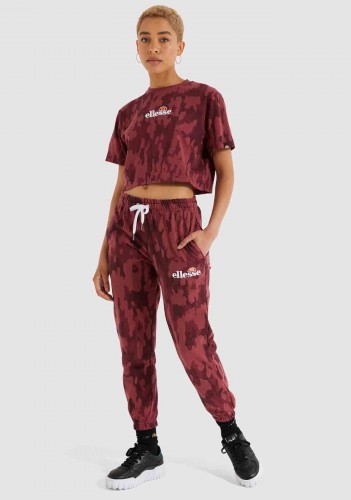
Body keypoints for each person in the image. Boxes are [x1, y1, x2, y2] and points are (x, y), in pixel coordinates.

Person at [93, 5, 261, 490]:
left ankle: (230, 432)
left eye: (163, 38)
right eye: (144, 38)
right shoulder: (127, 113)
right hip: (128, 230)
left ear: (180, 46)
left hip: (180, 228)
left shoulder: (204, 98)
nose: (153, 47)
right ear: (136, 46)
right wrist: (104, 250)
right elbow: (121, 184)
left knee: (192, 339)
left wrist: (210, 232)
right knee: (133, 340)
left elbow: (226, 171)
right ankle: (146, 446)